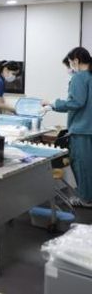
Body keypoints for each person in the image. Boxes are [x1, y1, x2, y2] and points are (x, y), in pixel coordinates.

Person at [44, 47, 92, 208]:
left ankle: (86, 199)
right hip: (89, 128)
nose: (70, 68)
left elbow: (76, 102)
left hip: (82, 130)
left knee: (82, 166)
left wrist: (53, 103)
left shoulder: (80, 77)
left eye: (70, 63)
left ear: (76, 60)